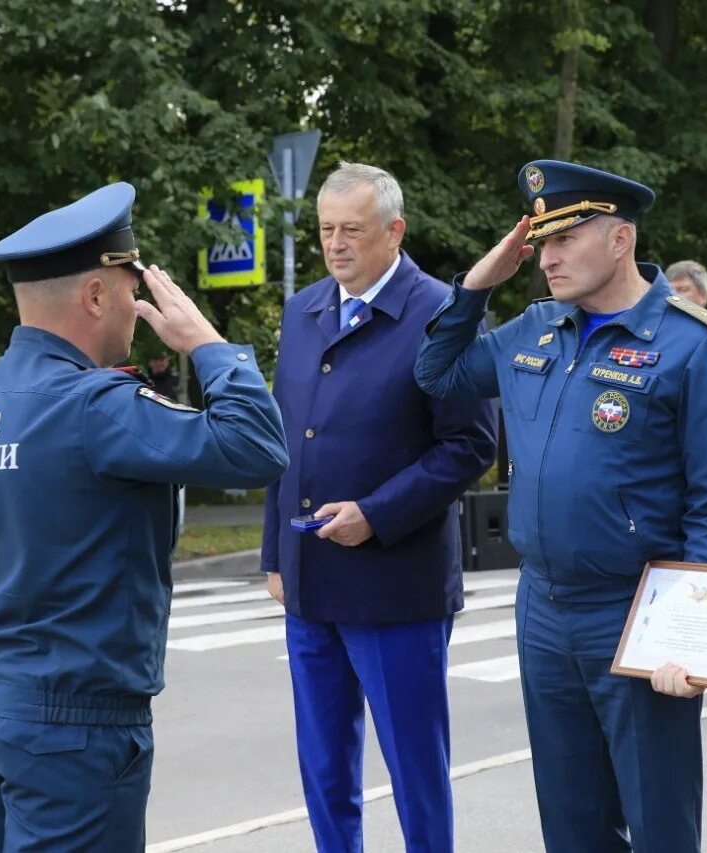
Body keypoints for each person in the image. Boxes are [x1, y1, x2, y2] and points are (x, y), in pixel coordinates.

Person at [0, 182, 288, 853]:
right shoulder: (97, 406)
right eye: (131, 289)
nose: (139, 308)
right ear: (95, 295)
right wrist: (208, 343)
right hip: (72, 722)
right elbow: (260, 447)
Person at [415, 160, 707, 851]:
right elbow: (436, 373)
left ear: (621, 239)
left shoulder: (696, 345)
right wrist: (478, 284)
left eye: (567, 239)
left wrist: (693, 639)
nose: (548, 257)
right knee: (571, 822)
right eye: (541, 243)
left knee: (658, 819)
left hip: (635, 609)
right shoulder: (536, 331)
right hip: (543, 606)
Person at [261, 162, 497, 852]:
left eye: (352, 231)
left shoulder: (443, 315)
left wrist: (377, 511)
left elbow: (471, 443)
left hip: (396, 585)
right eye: (326, 230)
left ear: (394, 231)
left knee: (413, 769)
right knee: (324, 766)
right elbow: (285, 437)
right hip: (311, 584)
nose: (335, 244)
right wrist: (276, 554)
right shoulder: (304, 310)